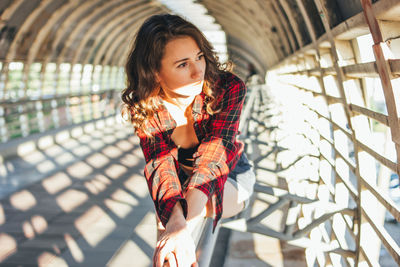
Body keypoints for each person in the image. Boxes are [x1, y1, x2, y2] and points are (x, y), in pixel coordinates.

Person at [121, 14, 255, 267]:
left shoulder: (227, 88)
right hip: (181, 183)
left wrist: (175, 224)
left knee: (172, 230)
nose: (198, 71)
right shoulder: (146, 106)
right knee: (172, 237)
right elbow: (160, 166)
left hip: (229, 177)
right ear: (155, 73)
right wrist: (174, 223)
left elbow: (213, 159)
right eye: (183, 64)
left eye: (199, 57)